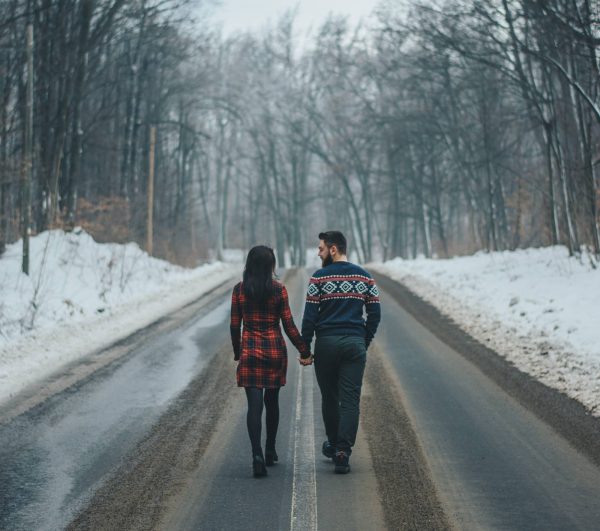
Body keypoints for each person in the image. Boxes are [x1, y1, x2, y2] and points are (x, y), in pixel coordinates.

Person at [301, 231, 381, 474]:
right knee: (350, 400)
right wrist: (362, 341)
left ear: (333, 249)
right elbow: (375, 314)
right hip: (354, 343)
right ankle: (343, 451)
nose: (318, 252)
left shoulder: (318, 278)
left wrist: (306, 349)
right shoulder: (365, 277)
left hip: (326, 344)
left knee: (329, 397)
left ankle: (334, 443)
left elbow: (309, 319)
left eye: (321, 248)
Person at [230, 245, 312, 478]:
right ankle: (270, 449)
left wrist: (238, 352)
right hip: (275, 353)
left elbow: (235, 325)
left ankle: (256, 454)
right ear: (270, 266)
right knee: (272, 403)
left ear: (249, 264)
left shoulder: (239, 291)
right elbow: (289, 325)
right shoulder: (279, 290)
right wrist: (305, 350)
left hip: (250, 354)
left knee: (254, 407)